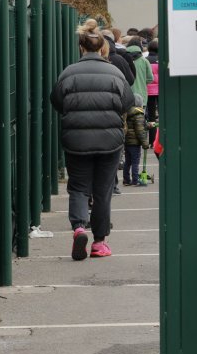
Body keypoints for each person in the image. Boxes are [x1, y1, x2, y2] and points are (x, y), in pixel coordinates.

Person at [50, 19, 135, 260]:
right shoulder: (115, 73)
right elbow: (127, 103)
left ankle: (78, 228)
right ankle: (99, 242)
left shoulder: (68, 73)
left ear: (81, 48)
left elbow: (57, 101)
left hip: (76, 140)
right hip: (110, 141)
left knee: (77, 186)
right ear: (102, 49)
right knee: (103, 190)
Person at [122, 101, 149, 187]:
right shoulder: (138, 114)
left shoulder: (128, 112)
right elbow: (140, 131)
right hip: (135, 143)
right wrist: (145, 143)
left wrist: (148, 125)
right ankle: (135, 180)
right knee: (135, 162)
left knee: (127, 162)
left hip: (127, 142)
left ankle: (126, 180)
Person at [127, 39, 153, 107]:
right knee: (140, 116)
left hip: (127, 95)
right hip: (141, 94)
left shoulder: (123, 59)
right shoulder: (144, 61)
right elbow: (150, 78)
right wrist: (142, 81)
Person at [145, 39, 160, 138]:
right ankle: (161, 137)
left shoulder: (145, 60)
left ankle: (152, 139)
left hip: (149, 90)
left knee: (151, 116)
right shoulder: (160, 59)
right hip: (160, 90)